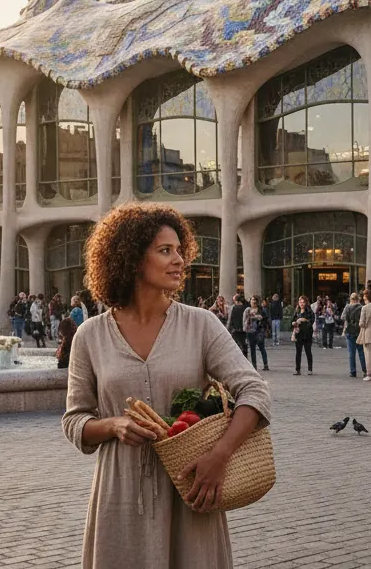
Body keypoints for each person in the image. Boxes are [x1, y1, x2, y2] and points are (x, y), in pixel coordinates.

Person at [60, 202, 271, 569]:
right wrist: (114, 425)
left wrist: (218, 458)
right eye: (165, 251)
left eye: (179, 251)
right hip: (119, 496)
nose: (179, 261)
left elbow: (255, 391)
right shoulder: (89, 336)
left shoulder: (201, 325)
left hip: (192, 490)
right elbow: (75, 420)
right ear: (132, 258)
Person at [342, 292, 365, 378]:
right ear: (358, 299)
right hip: (359, 331)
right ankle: (365, 370)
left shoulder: (347, 307)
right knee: (361, 352)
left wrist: (349, 319)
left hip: (349, 331)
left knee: (351, 353)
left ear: (351, 299)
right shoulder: (361, 307)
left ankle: (353, 371)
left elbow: (342, 317)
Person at [243, 295, 268, 372]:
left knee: (262, 348)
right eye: (252, 300)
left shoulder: (261, 310)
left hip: (259, 331)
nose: (253, 302)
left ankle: (265, 364)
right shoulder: (247, 310)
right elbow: (244, 320)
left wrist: (262, 322)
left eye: (254, 300)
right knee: (252, 349)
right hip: (250, 331)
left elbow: (265, 319)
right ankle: (254, 365)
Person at [291, 296, 314, 375]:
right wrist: (294, 323)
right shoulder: (297, 311)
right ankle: (297, 369)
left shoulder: (309, 311)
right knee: (298, 352)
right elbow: (292, 321)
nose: (301, 304)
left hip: (307, 335)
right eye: (300, 302)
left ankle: (310, 369)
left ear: (306, 303)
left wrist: (305, 320)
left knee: (308, 351)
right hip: (298, 334)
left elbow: (311, 321)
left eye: (303, 302)